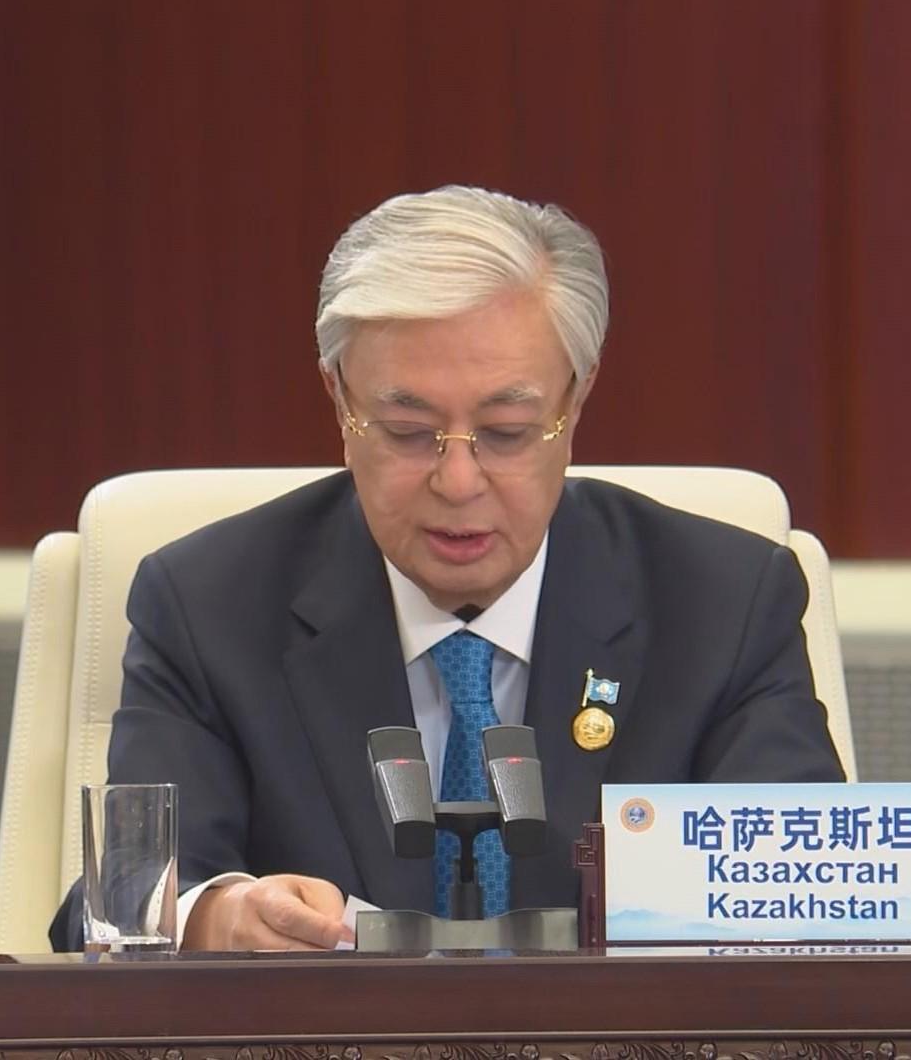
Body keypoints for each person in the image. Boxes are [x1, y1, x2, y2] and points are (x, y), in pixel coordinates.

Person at [49, 185, 844, 953]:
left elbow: (816, 898)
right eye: (405, 431)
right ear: (339, 399)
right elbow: (117, 899)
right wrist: (218, 915)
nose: (457, 483)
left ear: (576, 400)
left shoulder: (723, 603)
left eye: (506, 432)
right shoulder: (209, 604)